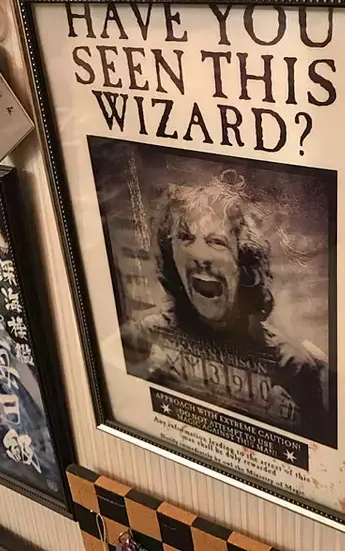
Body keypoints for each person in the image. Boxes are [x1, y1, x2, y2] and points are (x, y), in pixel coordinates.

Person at [122, 171, 332, 442]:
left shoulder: (294, 365)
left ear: (242, 262)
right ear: (171, 255)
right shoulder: (146, 337)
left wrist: (292, 427)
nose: (200, 255)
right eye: (185, 237)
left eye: (217, 242)